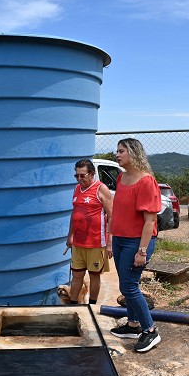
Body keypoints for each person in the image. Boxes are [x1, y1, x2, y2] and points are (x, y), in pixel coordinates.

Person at [110, 138, 162, 352]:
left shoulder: (146, 181)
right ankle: (132, 325)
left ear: (133, 153)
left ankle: (150, 330)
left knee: (129, 287)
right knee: (127, 283)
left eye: (121, 151)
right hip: (121, 239)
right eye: (117, 151)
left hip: (137, 242)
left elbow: (149, 221)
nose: (117, 154)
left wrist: (142, 251)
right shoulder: (122, 178)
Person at [65, 159, 113, 305]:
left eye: (82, 176)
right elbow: (75, 214)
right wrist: (70, 235)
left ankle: (92, 305)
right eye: (76, 176)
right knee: (77, 274)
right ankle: (73, 305)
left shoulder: (101, 189)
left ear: (92, 174)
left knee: (94, 275)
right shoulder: (77, 189)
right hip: (78, 242)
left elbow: (112, 216)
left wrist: (110, 242)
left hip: (96, 241)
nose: (79, 179)